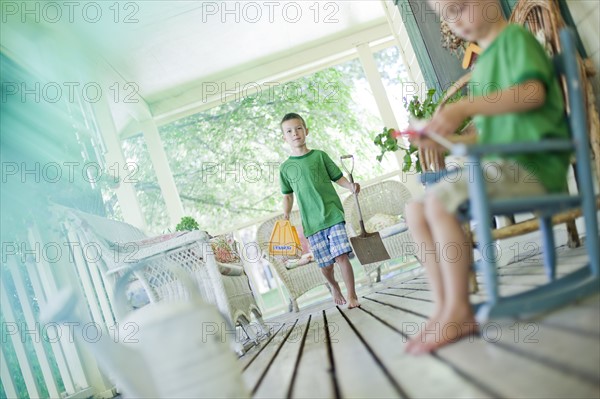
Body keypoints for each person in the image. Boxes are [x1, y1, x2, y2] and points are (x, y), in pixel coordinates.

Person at [404, 0, 570, 354]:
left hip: (534, 167)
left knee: (438, 201)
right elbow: (485, 133)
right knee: (415, 211)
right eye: (445, 15)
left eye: (459, 7)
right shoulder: (481, 69)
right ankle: (443, 307)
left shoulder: (516, 40)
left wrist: (464, 106)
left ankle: (459, 309)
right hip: (502, 170)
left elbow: (532, 93)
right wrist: (448, 141)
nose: (452, 19)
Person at [279, 112, 361, 309]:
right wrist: (286, 214)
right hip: (312, 223)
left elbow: (337, 177)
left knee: (341, 256)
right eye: (289, 131)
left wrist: (350, 186)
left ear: (306, 131)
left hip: (333, 215)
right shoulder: (286, 168)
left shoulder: (319, 156)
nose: (295, 133)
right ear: (284, 138)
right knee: (326, 266)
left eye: (299, 128)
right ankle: (334, 286)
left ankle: (352, 296)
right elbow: (288, 195)